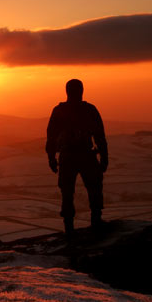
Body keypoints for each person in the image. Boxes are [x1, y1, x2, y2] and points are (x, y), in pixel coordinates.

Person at [45, 79, 109, 235]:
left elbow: (51, 137)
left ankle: (70, 227)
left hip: (70, 156)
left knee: (69, 192)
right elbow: (99, 135)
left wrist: (52, 158)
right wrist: (104, 157)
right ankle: (94, 222)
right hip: (84, 155)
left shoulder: (60, 111)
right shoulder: (89, 110)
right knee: (91, 189)